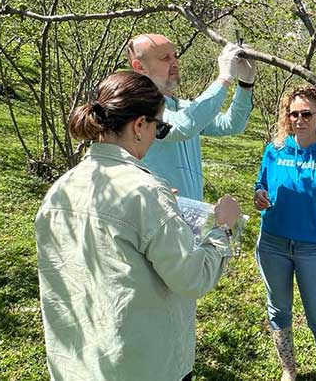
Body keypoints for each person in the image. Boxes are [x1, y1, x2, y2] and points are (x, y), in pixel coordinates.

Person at [34, 71, 242, 381]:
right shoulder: (145, 192)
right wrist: (223, 227)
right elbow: (192, 277)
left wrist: (161, 210)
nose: (157, 135)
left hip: (76, 362)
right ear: (140, 125)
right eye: (159, 127)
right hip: (141, 364)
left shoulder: (61, 188)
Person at [253, 86, 316, 381]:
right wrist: (259, 194)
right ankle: (288, 370)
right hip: (272, 244)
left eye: (306, 113)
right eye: (293, 113)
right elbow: (261, 185)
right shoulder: (275, 150)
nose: (299, 119)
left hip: (312, 250)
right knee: (278, 310)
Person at [126, 33, 256, 200]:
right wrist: (224, 78)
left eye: (175, 56)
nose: (174, 63)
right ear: (139, 66)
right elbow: (181, 127)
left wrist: (246, 84)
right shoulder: (138, 107)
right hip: (157, 216)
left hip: (187, 217)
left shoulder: (181, 106)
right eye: (165, 58)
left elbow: (231, 124)